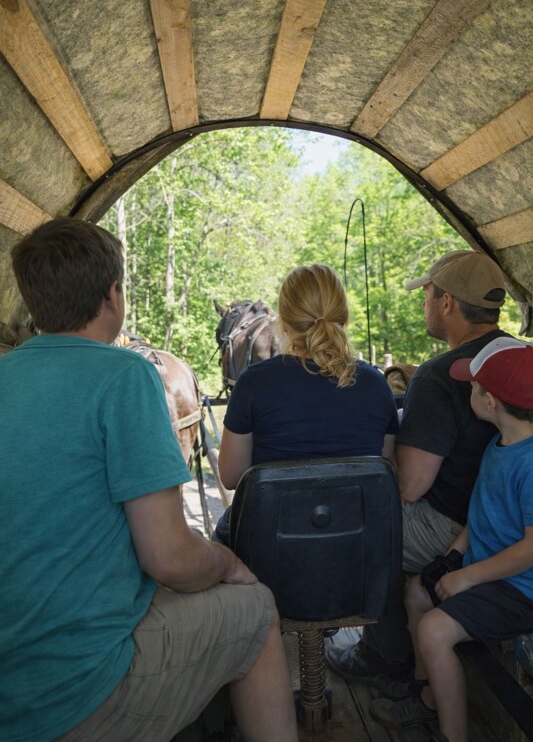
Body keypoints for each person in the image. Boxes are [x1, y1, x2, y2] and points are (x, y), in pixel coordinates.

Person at [0, 218, 298, 742]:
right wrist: (227, 562)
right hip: (76, 691)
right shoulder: (124, 376)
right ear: (112, 296)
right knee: (255, 610)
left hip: (13, 676)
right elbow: (169, 559)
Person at [326, 249, 511, 686]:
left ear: (447, 303)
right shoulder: (521, 355)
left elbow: (410, 486)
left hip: (457, 524)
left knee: (360, 528)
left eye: (426, 295)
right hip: (515, 516)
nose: (424, 304)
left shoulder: (440, 375)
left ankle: (383, 655)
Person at [370, 337, 533, 742]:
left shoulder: (529, 464)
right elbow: (482, 515)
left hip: (521, 587)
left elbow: (531, 548)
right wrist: (453, 555)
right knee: (417, 593)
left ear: (490, 402)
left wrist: (469, 576)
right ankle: (428, 697)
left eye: (474, 387)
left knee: (433, 631)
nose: (468, 391)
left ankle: (452, 734)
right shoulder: (501, 446)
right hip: (490, 568)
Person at [212, 263, 399, 545]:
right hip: (357, 541)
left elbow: (230, 476)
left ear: (283, 323)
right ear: (344, 317)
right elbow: (384, 468)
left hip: (272, 540)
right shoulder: (375, 384)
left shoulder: (253, 383)